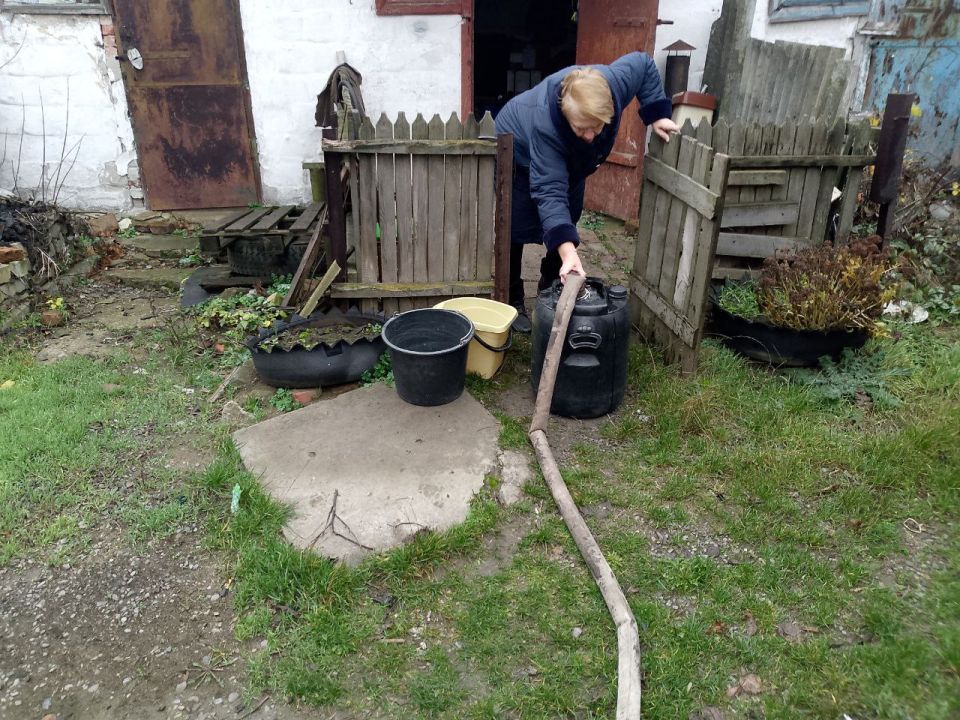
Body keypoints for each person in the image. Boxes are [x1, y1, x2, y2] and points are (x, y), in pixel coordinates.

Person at [494, 51, 680, 332]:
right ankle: (513, 298)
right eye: (582, 128)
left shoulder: (614, 83)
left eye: (598, 126)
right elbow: (549, 192)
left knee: (569, 217)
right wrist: (571, 254)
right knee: (514, 228)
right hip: (516, 154)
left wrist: (657, 114)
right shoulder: (546, 126)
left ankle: (551, 282)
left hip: (571, 164)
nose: (592, 136)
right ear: (567, 115)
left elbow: (643, 65)